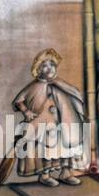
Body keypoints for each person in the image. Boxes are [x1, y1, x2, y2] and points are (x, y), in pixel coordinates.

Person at [11, 48, 88, 187]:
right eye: (45, 66)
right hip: (43, 125)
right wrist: (26, 111)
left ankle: (66, 173)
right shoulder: (34, 86)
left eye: (51, 65)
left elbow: (73, 95)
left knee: (66, 147)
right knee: (45, 150)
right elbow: (18, 101)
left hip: (63, 124)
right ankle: (44, 176)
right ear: (38, 69)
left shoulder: (59, 83)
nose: (49, 68)